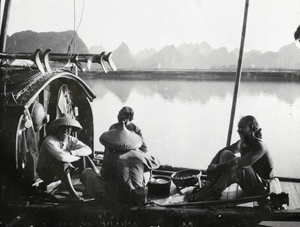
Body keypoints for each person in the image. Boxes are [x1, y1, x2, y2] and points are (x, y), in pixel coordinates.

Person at [189, 115, 274, 202]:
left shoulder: (259, 146)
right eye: (238, 127)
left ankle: (215, 190)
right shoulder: (243, 143)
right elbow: (224, 151)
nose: (238, 130)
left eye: (241, 127)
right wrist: (211, 165)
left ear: (251, 128)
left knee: (237, 165)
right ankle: (213, 187)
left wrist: (217, 168)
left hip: (262, 190)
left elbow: (240, 163)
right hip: (249, 186)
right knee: (226, 153)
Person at [99, 121, 160, 205]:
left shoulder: (109, 158)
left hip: (118, 199)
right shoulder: (139, 155)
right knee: (147, 170)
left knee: (87, 173)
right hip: (138, 197)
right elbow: (156, 163)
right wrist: (139, 153)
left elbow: (103, 176)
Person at [37, 113, 92, 200]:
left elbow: (88, 150)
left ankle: (88, 185)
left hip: (60, 170)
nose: (66, 131)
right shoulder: (49, 140)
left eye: (68, 128)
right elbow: (61, 157)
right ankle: (73, 194)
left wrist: (72, 153)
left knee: (85, 156)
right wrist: (74, 156)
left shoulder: (70, 139)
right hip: (46, 172)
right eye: (63, 128)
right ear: (57, 129)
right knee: (64, 163)